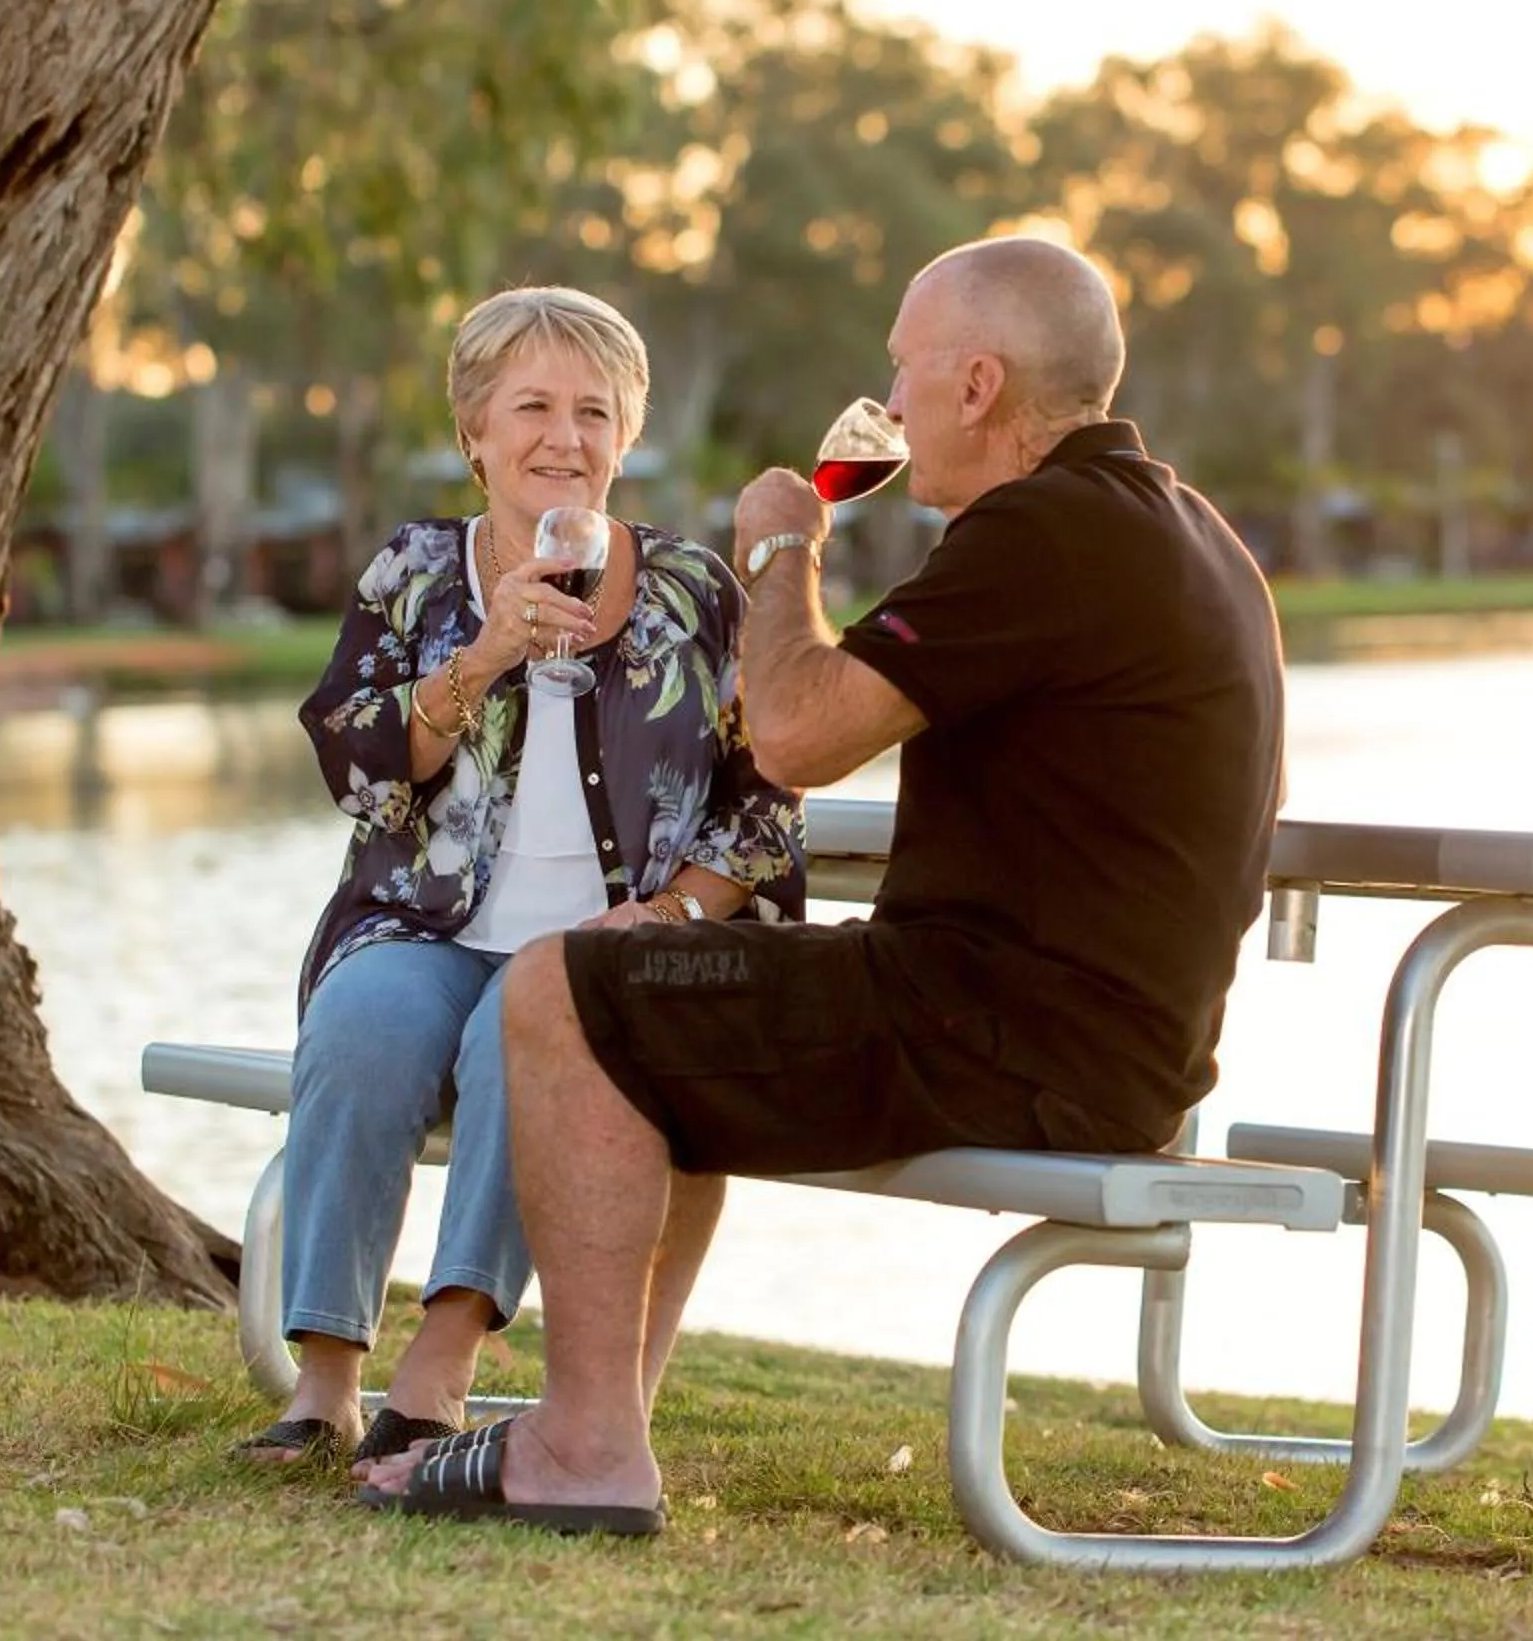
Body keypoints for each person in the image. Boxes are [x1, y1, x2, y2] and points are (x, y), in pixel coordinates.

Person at [363, 235, 1285, 1534]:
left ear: (976, 386)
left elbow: (793, 737)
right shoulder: (1175, 528)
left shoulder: (1043, 534)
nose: (889, 405)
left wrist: (784, 546)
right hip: (1092, 1039)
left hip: (1003, 1031)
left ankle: (581, 1451)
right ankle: (599, 1420)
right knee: (641, 1000)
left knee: (560, 988)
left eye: (903, 372)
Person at [234, 285, 806, 1467]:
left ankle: (437, 1372)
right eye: (533, 405)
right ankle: (324, 1377)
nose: (565, 436)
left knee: (527, 1027)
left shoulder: (698, 589)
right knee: (358, 1025)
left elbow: (768, 792)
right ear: (476, 434)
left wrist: (679, 909)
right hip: (417, 927)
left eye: (594, 410)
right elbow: (358, 766)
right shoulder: (415, 571)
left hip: (599, 953)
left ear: (626, 436)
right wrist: (490, 646)